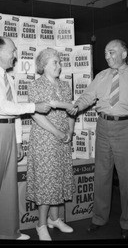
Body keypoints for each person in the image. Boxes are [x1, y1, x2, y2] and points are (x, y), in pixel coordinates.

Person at [68, 39, 128, 239]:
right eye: (105, 53)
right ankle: (99, 218)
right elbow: (88, 96)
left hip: (127, 128)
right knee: (102, 176)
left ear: (124, 54)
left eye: (112, 52)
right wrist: (77, 106)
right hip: (103, 127)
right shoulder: (101, 76)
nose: (107, 56)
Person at [0, 36, 51, 239]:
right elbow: (2, 107)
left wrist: (17, 141)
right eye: (13, 51)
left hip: (7, 133)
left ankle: (8, 233)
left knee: (8, 187)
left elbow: (13, 114)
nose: (15, 56)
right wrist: (35, 107)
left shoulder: (9, 78)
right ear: (0, 52)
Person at [26, 48, 76, 241]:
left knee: (59, 177)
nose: (59, 66)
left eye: (59, 62)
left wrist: (69, 132)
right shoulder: (35, 86)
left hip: (63, 138)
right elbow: (36, 115)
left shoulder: (64, 86)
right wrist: (57, 132)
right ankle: (41, 224)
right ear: (43, 65)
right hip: (44, 139)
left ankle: (55, 219)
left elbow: (72, 111)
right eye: (54, 62)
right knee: (46, 180)